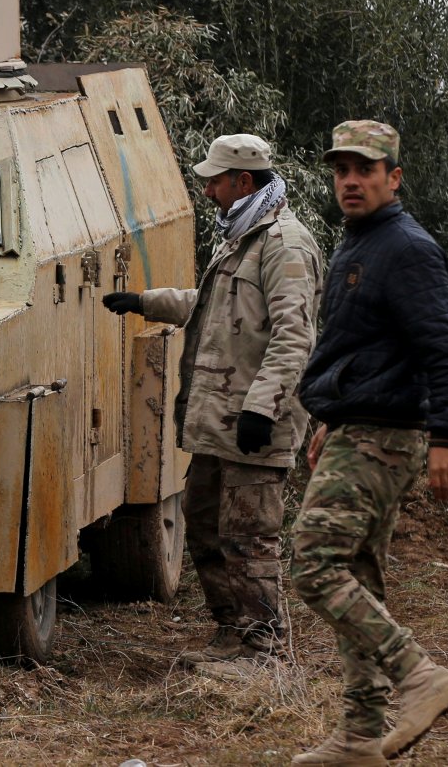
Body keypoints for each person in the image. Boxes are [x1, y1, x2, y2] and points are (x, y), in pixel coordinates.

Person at [103, 133, 322, 675]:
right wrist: (146, 302)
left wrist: (262, 408)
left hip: (254, 426)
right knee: (205, 529)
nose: (207, 191)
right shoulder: (241, 237)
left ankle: (262, 650)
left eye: (215, 181)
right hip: (217, 423)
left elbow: (295, 336)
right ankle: (232, 634)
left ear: (243, 182)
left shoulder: (285, 245)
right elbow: (219, 308)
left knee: (249, 538)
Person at [290, 120, 448, 765]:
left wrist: (447, 435)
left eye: (364, 170)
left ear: (393, 177)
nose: (350, 182)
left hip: (385, 436)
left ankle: (419, 675)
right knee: (357, 572)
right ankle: (362, 735)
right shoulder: (360, 242)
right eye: (341, 171)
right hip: (357, 429)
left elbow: (443, 349)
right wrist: (330, 420)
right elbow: (358, 349)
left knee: (314, 561)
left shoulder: (406, 248)